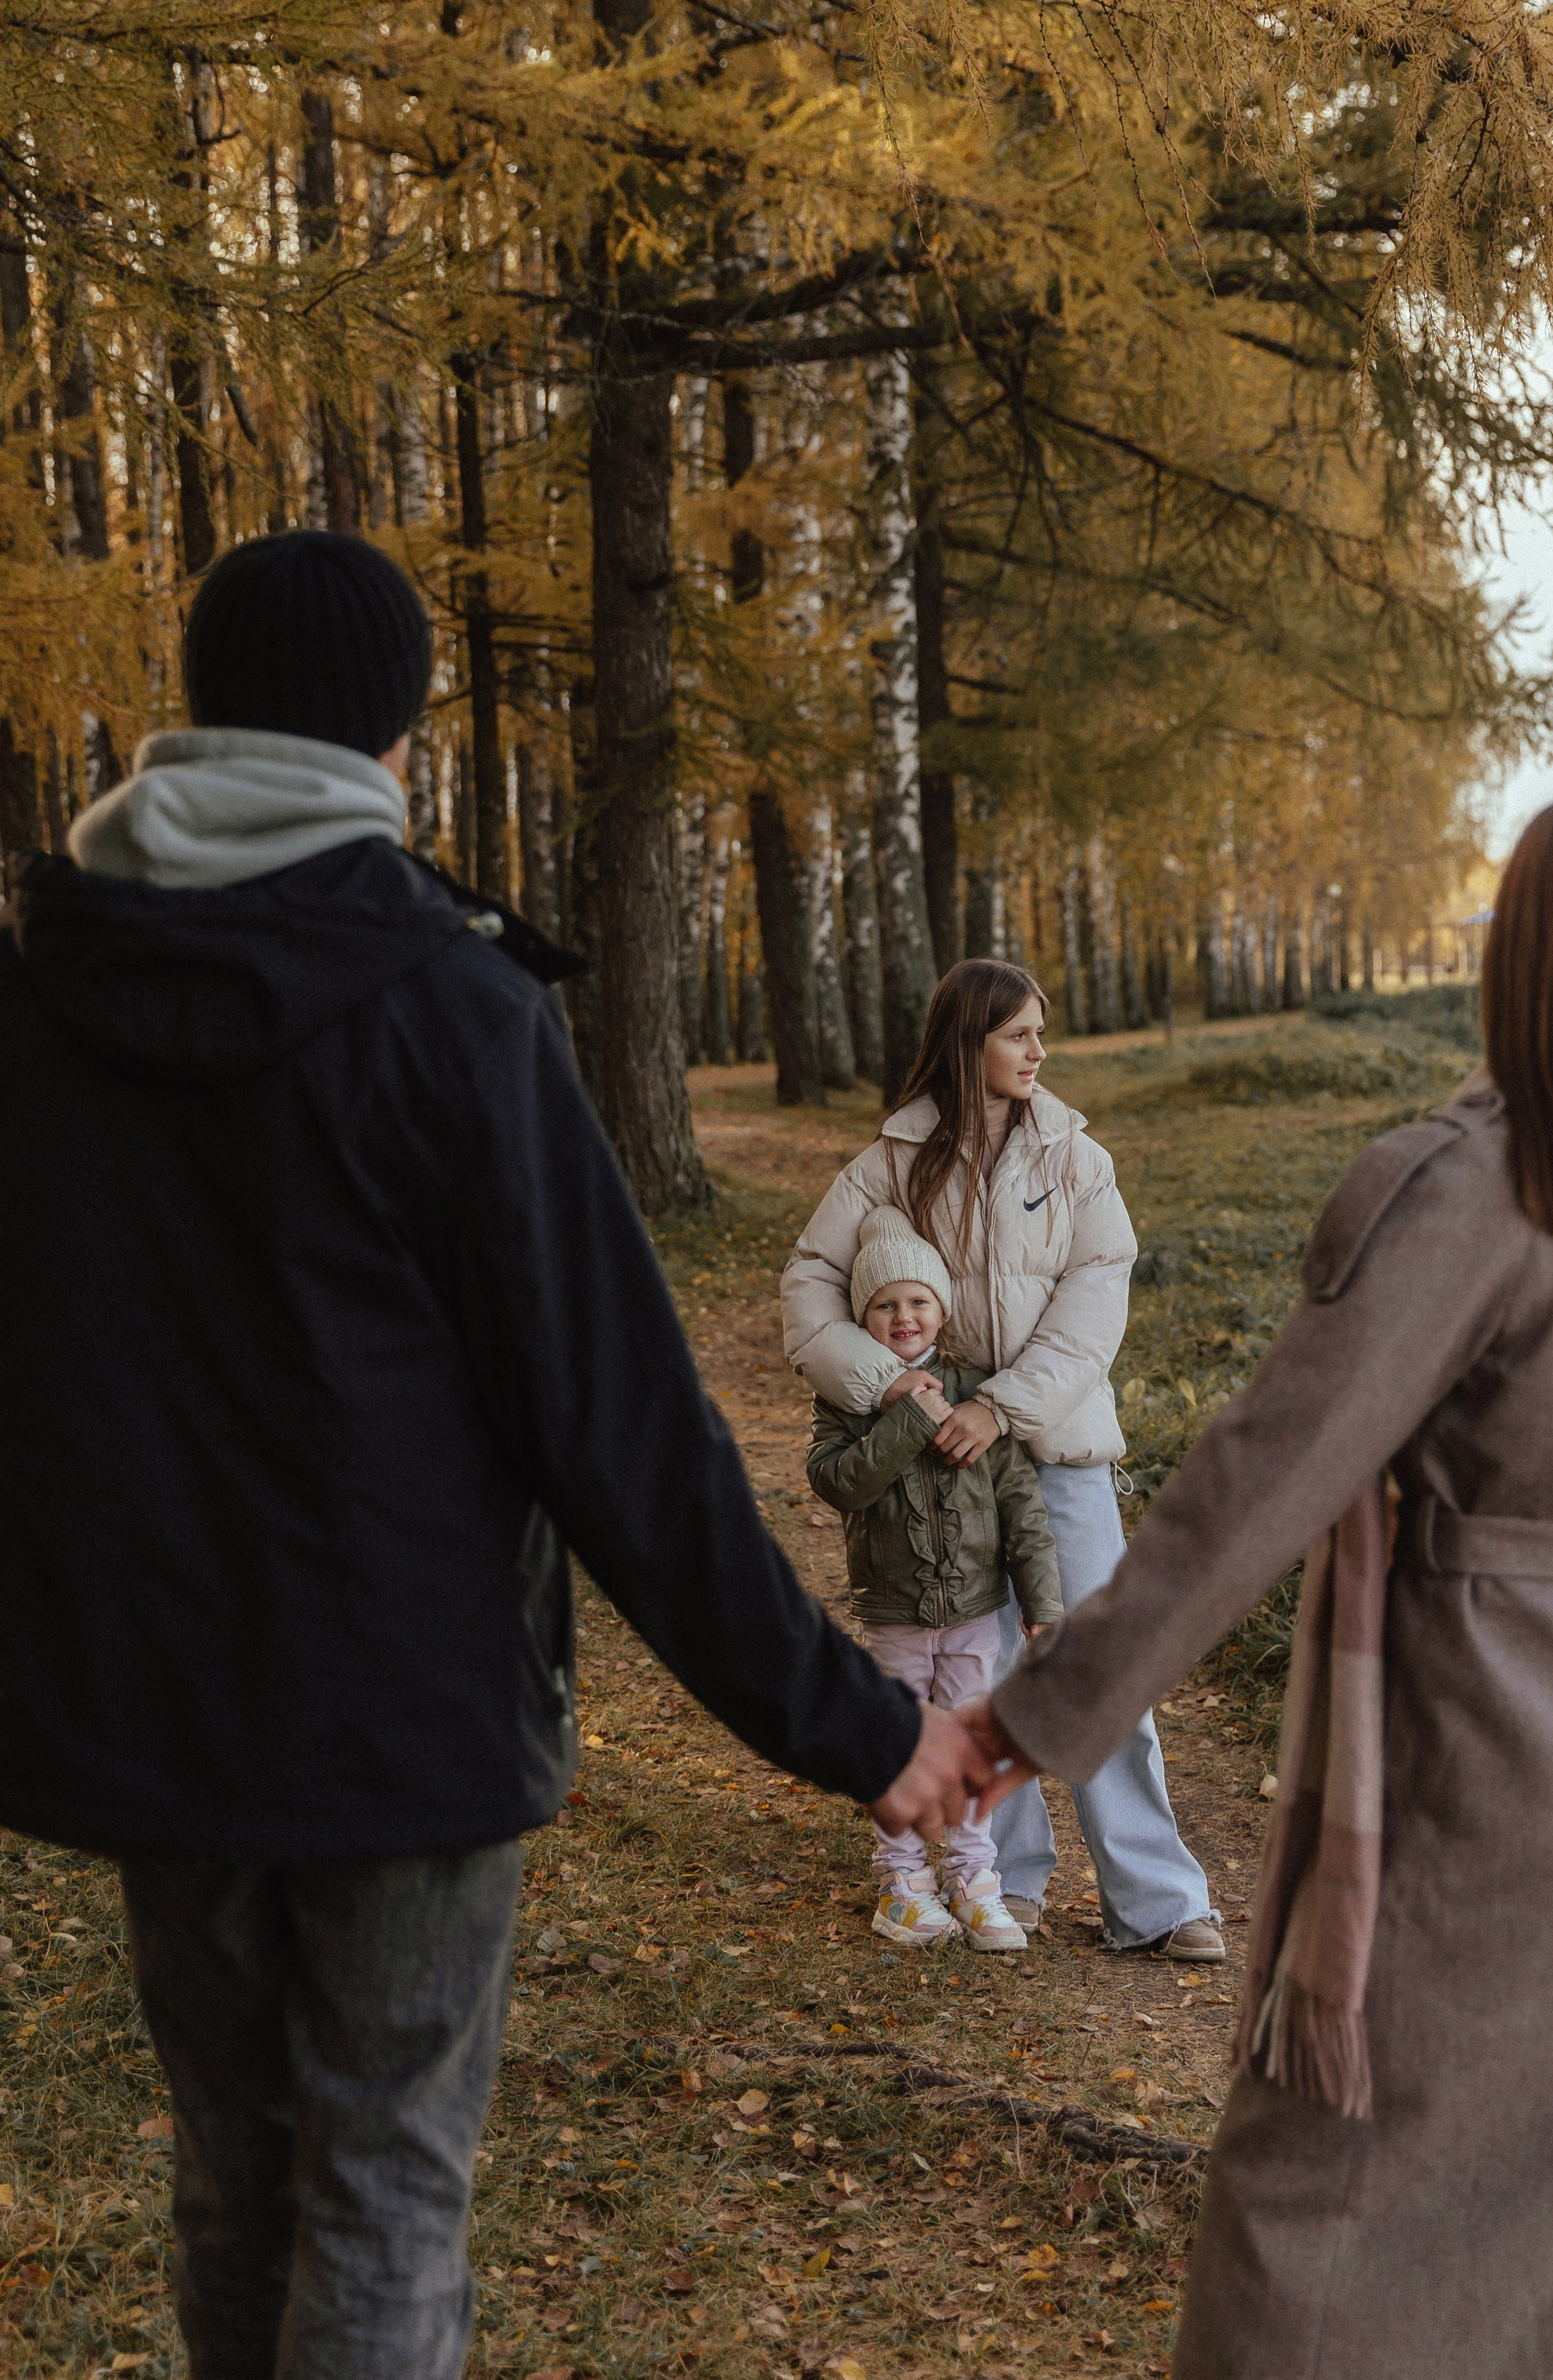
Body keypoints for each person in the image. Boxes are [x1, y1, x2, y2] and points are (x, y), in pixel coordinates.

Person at [0, 529, 988, 2380]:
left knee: (235, 2181)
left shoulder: (47, 998)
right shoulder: (451, 1013)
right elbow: (626, 1432)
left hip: (153, 1719)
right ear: (387, 746)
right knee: (379, 2196)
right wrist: (860, 1732)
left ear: (201, 722)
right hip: (402, 1730)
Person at [965, 786, 1553, 2380]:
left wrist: (1029, 1718)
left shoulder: (1471, 1189)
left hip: (1512, 1787)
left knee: (1342, 2195)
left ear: (1532, 962)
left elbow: (1252, 1487)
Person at [783, 956, 1223, 1961]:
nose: (1038, 1051)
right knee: (979, 1675)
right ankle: (1004, 1882)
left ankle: (1157, 1898)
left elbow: (1095, 1297)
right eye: (1018, 1033)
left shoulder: (1075, 1156)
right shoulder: (893, 1161)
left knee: (1098, 1657)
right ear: (967, 1040)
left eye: (1040, 1033)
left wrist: (1004, 1408)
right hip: (938, 1461)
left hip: (1051, 1443)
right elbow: (808, 1283)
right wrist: (893, 1385)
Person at [806, 1204, 1062, 1953]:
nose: (903, 1315)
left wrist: (1042, 1599)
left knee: (972, 1749)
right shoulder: (845, 1405)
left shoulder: (977, 1396)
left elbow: (1022, 1510)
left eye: (918, 1301)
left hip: (976, 1613)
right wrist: (908, 1418)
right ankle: (903, 1885)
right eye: (884, 1305)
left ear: (941, 1312)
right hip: (895, 1616)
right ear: (864, 1321)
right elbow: (839, 1484)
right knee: (898, 1744)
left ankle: (976, 1883)